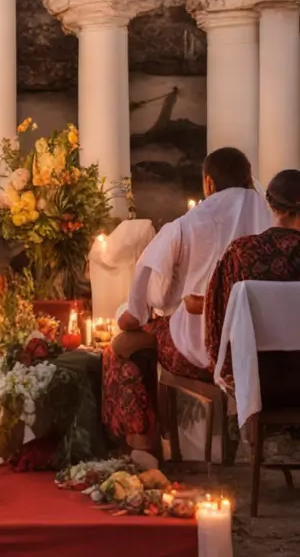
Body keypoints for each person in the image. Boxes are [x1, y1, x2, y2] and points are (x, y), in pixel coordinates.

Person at [102, 147, 270, 453]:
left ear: (208, 183)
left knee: (123, 345)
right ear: (248, 179)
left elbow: (149, 300)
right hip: (263, 356)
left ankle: (143, 447)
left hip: (201, 352)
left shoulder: (186, 225)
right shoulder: (274, 222)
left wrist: (132, 316)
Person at [196, 169, 300, 390]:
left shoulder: (240, 252)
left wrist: (226, 373)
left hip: (255, 383)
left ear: (269, 203)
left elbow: (216, 323)